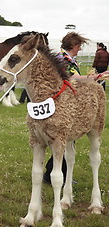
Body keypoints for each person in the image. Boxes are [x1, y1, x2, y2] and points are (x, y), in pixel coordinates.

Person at [43, 32, 102, 185]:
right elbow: (71, 77)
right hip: (61, 102)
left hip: (64, 100)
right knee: (64, 140)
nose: (80, 49)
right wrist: (92, 78)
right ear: (73, 45)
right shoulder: (62, 59)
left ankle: (53, 173)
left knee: (65, 140)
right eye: (78, 46)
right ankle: (55, 174)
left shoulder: (64, 57)